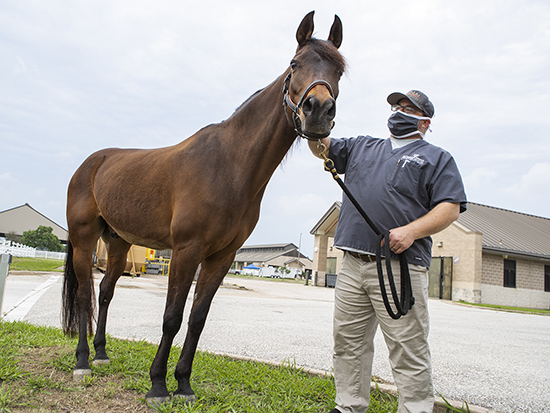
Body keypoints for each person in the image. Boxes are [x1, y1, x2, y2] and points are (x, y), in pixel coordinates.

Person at [308, 90, 467, 413]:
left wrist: (412, 231)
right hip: (352, 262)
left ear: (425, 122)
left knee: (407, 347)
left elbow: (450, 208)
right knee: (348, 342)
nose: (398, 111)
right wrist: (315, 121)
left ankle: (415, 408)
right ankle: (349, 405)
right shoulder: (362, 146)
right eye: (396, 106)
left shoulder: (437, 158)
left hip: (399, 267)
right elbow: (321, 147)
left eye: (408, 108)